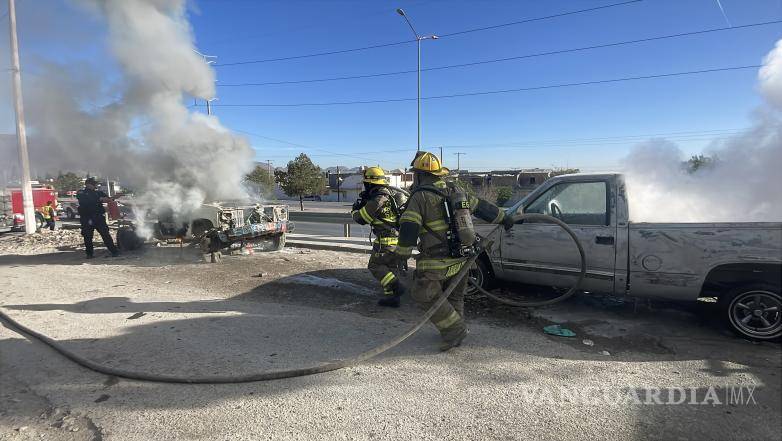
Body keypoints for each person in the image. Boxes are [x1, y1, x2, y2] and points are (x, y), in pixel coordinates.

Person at [393, 152, 515, 351]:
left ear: (420, 175)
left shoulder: (420, 197)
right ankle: (455, 331)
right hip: (463, 258)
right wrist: (505, 218)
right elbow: (482, 208)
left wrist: (402, 254)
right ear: (439, 174)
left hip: (436, 261)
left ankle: (454, 330)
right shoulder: (455, 191)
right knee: (454, 297)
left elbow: (409, 227)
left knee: (423, 293)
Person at [351, 166, 407, 307]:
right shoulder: (389, 196)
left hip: (385, 241)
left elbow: (361, 219)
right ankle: (393, 299)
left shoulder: (378, 199)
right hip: (397, 240)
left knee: (375, 265)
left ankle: (397, 287)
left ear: (370, 183)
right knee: (390, 268)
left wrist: (355, 210)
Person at [76, 177, 119, 258]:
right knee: (88, 236)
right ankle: (89, 254)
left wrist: (114, 197)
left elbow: (107, 199)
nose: (95, 185)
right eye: (93, 184)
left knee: (106, 235)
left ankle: (114, 251)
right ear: (88, 184)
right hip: (87, 218)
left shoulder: (98, 192)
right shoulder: (81, 192)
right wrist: (101, 199)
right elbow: (88, 200)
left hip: (98, 217)